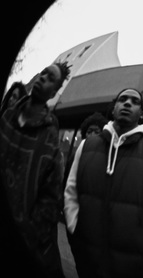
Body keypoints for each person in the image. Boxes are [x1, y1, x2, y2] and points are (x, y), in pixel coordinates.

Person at [63, 88, 143, 277]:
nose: (127, 103)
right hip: (89, 261)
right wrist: (75, 227)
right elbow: (71, 193)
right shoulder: (86, 146)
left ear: (141, 113)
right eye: (122, 99)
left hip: (137, 268)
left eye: (135, 101)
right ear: (114, 108)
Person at [0, 61, 71, 277]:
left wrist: (30, 232)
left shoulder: (50, 136)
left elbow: (51, 198)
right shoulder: (6, 117)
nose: (42, 78)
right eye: (43, 73)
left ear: (54, 92)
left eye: (51, 78)